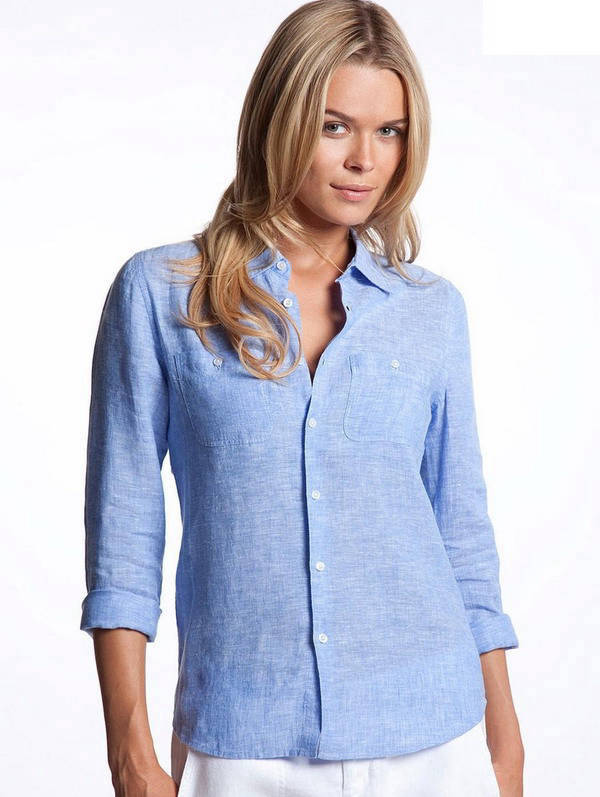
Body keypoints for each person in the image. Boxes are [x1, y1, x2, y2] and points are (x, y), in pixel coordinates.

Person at [79, 1, 524, 795]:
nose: (364, 159)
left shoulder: (430, 311)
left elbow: (461, 534)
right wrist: (131, 754)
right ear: (279, 121)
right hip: (244, 739)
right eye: (333, 126)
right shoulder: (162, 294)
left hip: (436, 736)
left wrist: (505, 741)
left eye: (389, 131)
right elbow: (124, 538)